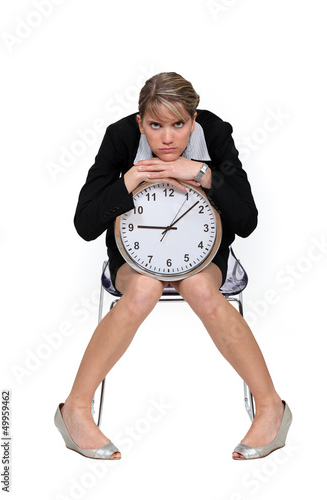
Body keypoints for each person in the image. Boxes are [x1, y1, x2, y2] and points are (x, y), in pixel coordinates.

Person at [54, 72, 292, 460]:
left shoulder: (214, 133)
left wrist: (201, 173)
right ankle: (75, 410)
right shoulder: (120, 137)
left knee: (199, 287)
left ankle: (271, 408)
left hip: (205, 248)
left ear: (193, 119)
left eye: (179, 124)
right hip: (133, 251)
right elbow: (85, 225)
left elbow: (247, 221)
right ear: (139, 122)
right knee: (144, 288)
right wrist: (128, 179)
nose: (167, 138)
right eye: (155, 125)